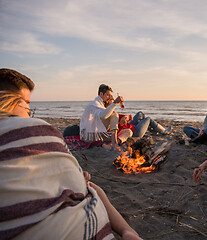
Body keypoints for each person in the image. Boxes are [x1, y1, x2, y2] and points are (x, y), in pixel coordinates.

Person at [0, 69, 141, 239]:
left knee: (130, 124)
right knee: (136, 125)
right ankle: (124, 137)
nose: (29, 111)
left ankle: (125, 135)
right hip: (88, 225)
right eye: (27, 104)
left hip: (87, 222)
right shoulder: (39, 129)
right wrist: (115, 104)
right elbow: (104, 115)